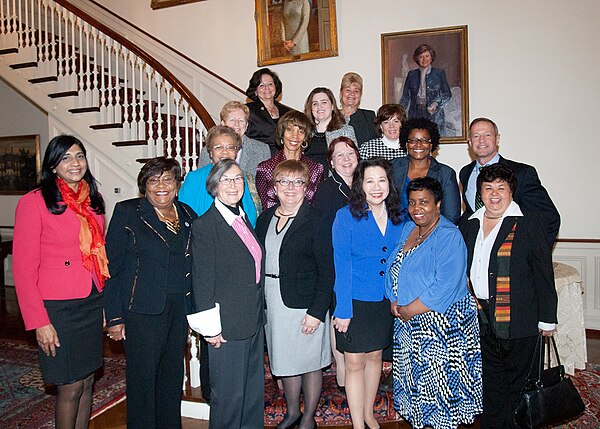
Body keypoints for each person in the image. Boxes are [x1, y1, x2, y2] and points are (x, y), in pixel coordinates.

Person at [13, 135, 109, 429]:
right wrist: (39, 321)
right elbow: (23, 268)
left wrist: (105, 304)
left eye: (79, 156)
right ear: (53, 165)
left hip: (90, 301)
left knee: (88, 381)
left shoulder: (93, 200)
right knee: (69, 386)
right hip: (56, 307)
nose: (75, 163)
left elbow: (99, 255)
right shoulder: (34, 202)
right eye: (65, 157)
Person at [459, 164, 558, 429]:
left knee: (517, 387)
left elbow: (543, 274)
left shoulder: (528, 223)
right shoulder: (469, 224)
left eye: (501, 188)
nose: (494, 194)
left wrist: (548, 319)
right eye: (488, 188)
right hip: (481, 319)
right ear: (480, 192)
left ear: (511, 192)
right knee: (492, 384)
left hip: (521, 320)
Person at [104, 157, 197, 429]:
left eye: (167, 179)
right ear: (143, 186)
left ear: (177, 185)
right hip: (141, 311)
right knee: (143, 381)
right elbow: (112, 268)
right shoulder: (127, 212)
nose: (161, 185)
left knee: (171, 376)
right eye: (153, 180)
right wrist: (114, 317)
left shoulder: (188, 214)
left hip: (179, 308)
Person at [385, 177, 482, 429]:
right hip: (409, 326)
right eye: (413, 202)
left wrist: (407, 309)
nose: (417, 208)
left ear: (438, 204)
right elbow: (393, 265)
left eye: (425, 202)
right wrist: (393, 299)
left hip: (441, 328)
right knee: (416, 385)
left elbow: (444, 286)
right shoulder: (408, 229)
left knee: (438, 388)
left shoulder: (449, 236)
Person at [187, 159, 265, 429]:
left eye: (237, 179)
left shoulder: (241, 217)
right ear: (214, 186)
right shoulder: (206, 225)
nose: (233, 185)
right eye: (226, 180)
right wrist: (210, 329)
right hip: (226, 326)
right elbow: (202, 281)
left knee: (251, 395)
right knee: (230, 399)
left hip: (252, 320)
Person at [256, 160, 334, 429]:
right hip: (273, 298)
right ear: (274, 187)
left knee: (311, 362)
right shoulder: (265, 218)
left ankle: (308, 418)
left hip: (305, 303)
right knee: (285, 358)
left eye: (297, 182)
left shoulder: (317, 220)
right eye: (284, 182)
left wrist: (316, 312)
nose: (290, 188)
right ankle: (292, 412)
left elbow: (327, 271)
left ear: (306, 187)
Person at [332, 158, 403, 429]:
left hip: (385, 301)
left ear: (389, 184)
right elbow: (342, 264)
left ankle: (369, 414)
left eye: (381, 180)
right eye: (369, 181)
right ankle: (357, 423)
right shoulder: (346, 216)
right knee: (354, 363)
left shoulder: (400, 215)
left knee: (375, 357)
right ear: (360, 185)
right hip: (355, 300)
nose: (376, 187)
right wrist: (343, 310)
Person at [459, 117, 560, 246]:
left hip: (510, 251)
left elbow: (550, 218)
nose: (481, 140)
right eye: (476, 136)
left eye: (487, 135)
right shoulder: (465, 173)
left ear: (497, 139)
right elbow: (471, 214)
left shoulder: (522, 173)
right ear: (469, 142)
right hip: (477, 251)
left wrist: (536, 253)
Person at [313, 136, 360, 387]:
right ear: (331, 162)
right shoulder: (327, 189)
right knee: (338, 315)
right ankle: (342, 374)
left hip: (363, 264)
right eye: (339, 155)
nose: (346, 159)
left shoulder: (366, 184)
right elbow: (322, 231)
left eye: (350, 153)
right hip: (336, 260)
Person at [179, 125, 258, 225]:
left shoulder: (242, 177)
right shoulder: (194, 179)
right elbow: (185, 216)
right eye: (218, 147)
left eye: (230, 147)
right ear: (210, 152)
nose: (225, 151)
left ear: (236, 153)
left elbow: (250, 217)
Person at [391, 118, 461, 224]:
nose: (418, 144)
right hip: (395, 232)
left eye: (424, 140)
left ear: (431, 145)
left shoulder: (445, 174)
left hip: (431, 235)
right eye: (413, 140)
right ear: (406, 144)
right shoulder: (392, 168)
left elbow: (451, 216)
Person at [256, 110, 324, 209]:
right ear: (282, 133)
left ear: (305, 137)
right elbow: (261, 206)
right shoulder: (265, 168)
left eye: (301, 131)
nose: (295, 136)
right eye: (289, 130)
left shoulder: (316, 169)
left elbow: (318, 206)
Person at [198, 101, 271, 182]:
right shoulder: (208, 150)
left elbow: (266, 183)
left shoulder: (262, 149)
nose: (237, 124)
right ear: (223, 124)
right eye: (232, 120)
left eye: (241, 121)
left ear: (246, 125)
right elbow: (202, 180)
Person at [399, 44, 451, 135]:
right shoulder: (411, 74)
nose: (424, 59)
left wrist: (436, 103)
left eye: (427, 56)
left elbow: (447, 93)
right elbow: (405, 96)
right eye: (421, 57)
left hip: (434, 113)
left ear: (431, 57)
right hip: (415, 113)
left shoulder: (439, 73)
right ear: (417, 59)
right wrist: (398, 112)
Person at [304, 87, 357, 175]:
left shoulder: (346, 131)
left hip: (335, 184)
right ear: (311, 109)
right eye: (315, 104)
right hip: (307, 183)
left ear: (332, 106)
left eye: (324, 102)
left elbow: (353, 161)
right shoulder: (303, 132)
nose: (319, 106)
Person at [245, 68, 292, 154]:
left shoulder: (287, 112)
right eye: (261, 85)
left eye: (270, 84)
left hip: (284, 160)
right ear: (255, 91)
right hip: (258, 158)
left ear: (275, 87)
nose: (267, 88)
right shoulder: (247, 110)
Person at [339, 72, 377, 146]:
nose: (352, 94)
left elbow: (375, 144)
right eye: (348, 90)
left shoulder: (369, 117)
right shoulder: (331, 116)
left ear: (360, 94)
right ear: (341, 92)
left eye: (356, 91)